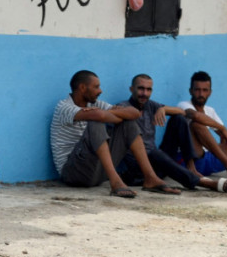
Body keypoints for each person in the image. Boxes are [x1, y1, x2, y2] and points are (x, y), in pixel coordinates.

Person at [50, 70, 181, 198]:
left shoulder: (95, 104)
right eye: (96, 87)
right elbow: (99, 116)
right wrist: (102, 114)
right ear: (83, 87)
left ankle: (150, 178)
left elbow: (133, 113)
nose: (100, 91)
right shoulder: (64, 107)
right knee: (95, 123)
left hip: (96, 172)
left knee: (128, 124)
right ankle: (116, 182)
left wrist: (105, 114)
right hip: (73, 173)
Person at [118, 74, 227, 192]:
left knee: (178, 119)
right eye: (141, 88)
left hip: (157, 164)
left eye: (148, 89)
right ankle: (200, 182)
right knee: (155, 153)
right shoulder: (123, 107)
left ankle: (191, 167)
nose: (144, 93)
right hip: (136, 170)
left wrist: (163, 109)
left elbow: (182, 112)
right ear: (131, 89)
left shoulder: (150, 105)